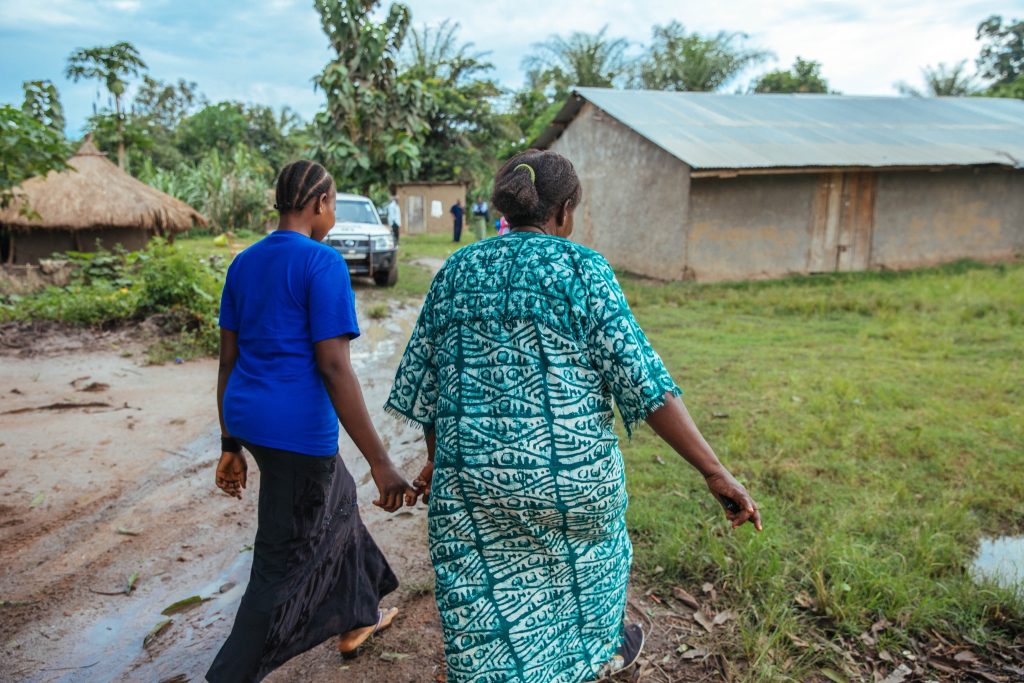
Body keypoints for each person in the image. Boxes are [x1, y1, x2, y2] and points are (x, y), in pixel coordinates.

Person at [386, 150, 762, 683]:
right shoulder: (585, 270)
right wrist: (714, 470)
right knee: (583, 584)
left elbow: (430, 386)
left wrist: (440, 458)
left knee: (483, 607)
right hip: (573, 484)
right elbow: (646, 385)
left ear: (508, 209)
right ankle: (589, 658)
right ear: (563, 212)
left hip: (474, 488)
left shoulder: (457, 271)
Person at [210, 160, 416, 682]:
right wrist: (382, 462)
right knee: (278, 563)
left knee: (340, 499)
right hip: (296, 434)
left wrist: (230, 443)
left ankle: (357, 617)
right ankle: (228, 675)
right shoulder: (322, 264)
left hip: (249, 419)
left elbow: (227, 360)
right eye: (334, 202)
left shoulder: (244, 262)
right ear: (322, 203)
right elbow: (333, 365)